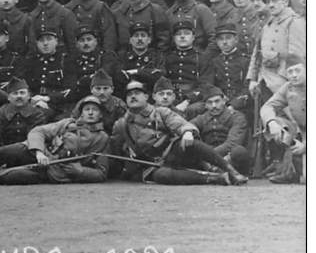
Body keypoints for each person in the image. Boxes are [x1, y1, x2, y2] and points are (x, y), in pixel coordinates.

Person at [113, 78, 247, 185]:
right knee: (162, 175)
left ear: (147, 96)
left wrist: (187, 132)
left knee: (192, 143)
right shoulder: (121, 124)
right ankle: (217, 179)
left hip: (173, 152)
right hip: (152, 164)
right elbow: (116, 147)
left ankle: (231, 171)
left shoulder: (161, 112)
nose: (133, 97)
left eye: (137, 93)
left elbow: (181, 124)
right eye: (130, 95)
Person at [247, 0, 306, 96]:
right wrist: (253, 79)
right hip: (263, 81)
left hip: (284, 82)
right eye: (268, 1)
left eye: (274, 0)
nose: (271, 5)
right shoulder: (267, 24)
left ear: (285, 2)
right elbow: (257, 55)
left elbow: (298, 57)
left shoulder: (295, 22)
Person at [260, 60, 306, 183]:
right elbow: (267, 107)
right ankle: (289, 170)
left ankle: (295, 170)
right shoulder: (288, 87)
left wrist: (306, 146)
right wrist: (272, 123)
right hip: (302, 131)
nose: (294, 75)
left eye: (298, 70)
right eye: (290, 71)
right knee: (279, 122)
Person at [189, 85, 251, 176]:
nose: (214, 106)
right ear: (205, 105)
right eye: (209, 102)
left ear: (224, 101)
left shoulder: (237, 117)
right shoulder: (202, 118)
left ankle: (219, 171)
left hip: (228, 158)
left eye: (217, 101)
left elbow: (232, 143)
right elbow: (188, 126)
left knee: (239, 151)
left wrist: (211, 157)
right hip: (208, 161)